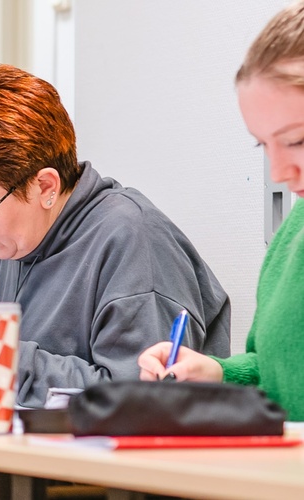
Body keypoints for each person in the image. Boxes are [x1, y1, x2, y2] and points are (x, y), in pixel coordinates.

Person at [0, 64, 232, 409]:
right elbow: (36, 384)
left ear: (45, 187)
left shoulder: (134, 242)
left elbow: (141, 401)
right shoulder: (18, 243)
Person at [139, 2, 304, 419]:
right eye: (263, 145)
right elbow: (274, 371)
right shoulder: (293, 233)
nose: (281, 172)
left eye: (297, 140)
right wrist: (217, 373)